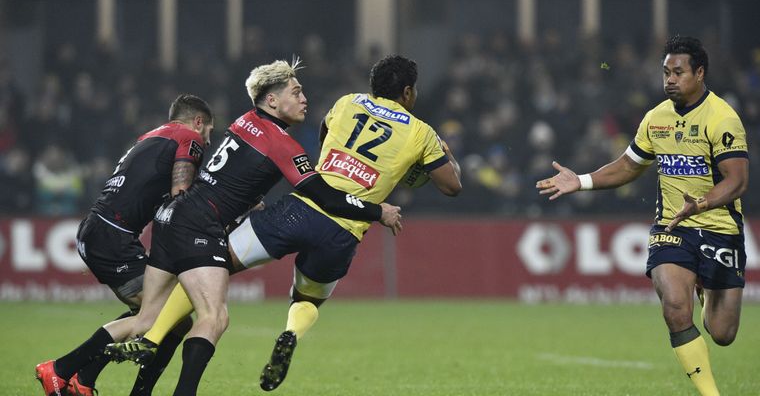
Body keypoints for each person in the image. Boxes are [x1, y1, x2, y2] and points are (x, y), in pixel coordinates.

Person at [106, 54, 463, 392]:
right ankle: (291, 333)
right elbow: (452, 186)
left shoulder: (348, 102)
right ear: (408, 92)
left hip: (300, 209)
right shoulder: (423, 134)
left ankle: (151, 338)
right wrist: (440, 157)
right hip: (343, 229)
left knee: (213, 262)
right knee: (308, 298)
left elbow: (327, 139)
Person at [536, 35, 748, 396]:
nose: (669, 79)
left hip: (719, 228)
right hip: (672, 227)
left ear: (699, 73)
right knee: (675, 308)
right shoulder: (656, 118)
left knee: (722, 333)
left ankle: (705, 291)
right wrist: (582, 180)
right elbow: (628, 167)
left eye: (678, 72)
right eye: (665, 72)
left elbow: (737, 181)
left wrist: (701, 204)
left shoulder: (723, 118)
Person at [35, 94, 215, 396]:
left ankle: (85, 380)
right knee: (161, 316)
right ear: (198, 122)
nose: (207, 142)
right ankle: (62, 369)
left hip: (100, 230)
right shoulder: (188, 137)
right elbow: (180, 194)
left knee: (173, 319)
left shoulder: (150, 137)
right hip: (112, 236)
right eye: (208, 132)